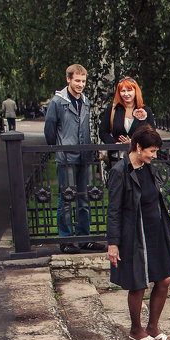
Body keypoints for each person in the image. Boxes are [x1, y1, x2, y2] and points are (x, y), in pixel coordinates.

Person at [106, 126, 170, 340]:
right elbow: (113, 211)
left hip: (156, 233)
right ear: (138, 147)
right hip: (135, 234)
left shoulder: (148, 168)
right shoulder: (120, 172)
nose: (154, 156)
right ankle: (136, 330)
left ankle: (153, 327)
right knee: (138, 283)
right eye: (151, 151)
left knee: (164, 278)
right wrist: (113, 244)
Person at [44, 63, 98, 254]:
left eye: (83, 81)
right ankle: (66, 240)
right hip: (66, 156)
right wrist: (59, 148)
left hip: (84, 155)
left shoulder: (85, 100)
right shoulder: (57, 102)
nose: (80, 84)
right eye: (77, 80)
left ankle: (84, 238)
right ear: (68, 79)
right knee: (67, 198)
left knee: (84, 198)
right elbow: (49, 130)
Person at [98, 77, 155, 153]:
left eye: (129, 90)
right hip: (116, 156)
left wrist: (133, 143)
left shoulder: (146, 111)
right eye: (123, 91)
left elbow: (152, 135)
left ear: (135, 91)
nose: (126, 94)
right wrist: (115, 143)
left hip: (139, 156)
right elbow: (102, 132)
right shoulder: (113, 109)